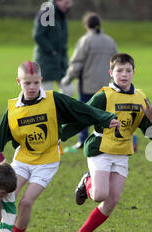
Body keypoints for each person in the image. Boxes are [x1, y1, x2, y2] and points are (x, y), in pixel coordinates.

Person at [0, 61, 120, 232]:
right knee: (7, 195)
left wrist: (105, 118)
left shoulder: (53, 100)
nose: (32, 87)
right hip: (22, 160)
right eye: (27, 83)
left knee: (25, 202)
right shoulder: (12, 110)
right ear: (19, 82)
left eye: (35, 82)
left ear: (41, 80)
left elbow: (81, 109)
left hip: (47, 162)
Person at [67, 53, 152, 232]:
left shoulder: (140, 98)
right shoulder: (103, 95)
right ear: (111, 73)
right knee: (100, 195)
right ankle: (87, 181)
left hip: (122, 153)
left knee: (111, 201)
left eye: (128, 70)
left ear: (134, 73)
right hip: (100, 149)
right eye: (119, 70)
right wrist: (60, 135)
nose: (124, 74)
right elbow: (83, 116)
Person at [61, 11, 119, 152]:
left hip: (87, 85)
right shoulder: (110, 41)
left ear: (87, 25)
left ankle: (83, 140)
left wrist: (68, 78)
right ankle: (106, 139)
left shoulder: (85, 41)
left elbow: (77, 64)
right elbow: (117, 62)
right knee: (104, 113)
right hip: (105, 86)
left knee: (84, 113)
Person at [33, 0, 74, 96]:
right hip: (47, 60)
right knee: (46, 93)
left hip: (61, 60)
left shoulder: (61, 14)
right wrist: (51, 51)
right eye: (66, 2)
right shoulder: (47, 11)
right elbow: (38, 35)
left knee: (69, 91)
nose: (68, 6)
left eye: (70, 3)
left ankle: (60, 109)